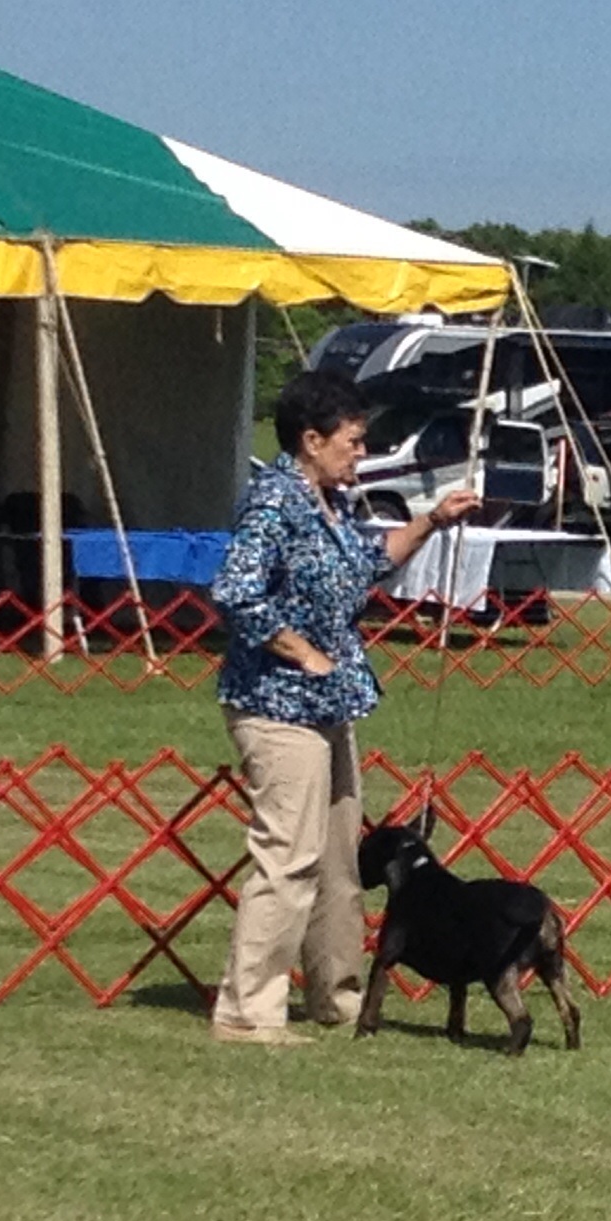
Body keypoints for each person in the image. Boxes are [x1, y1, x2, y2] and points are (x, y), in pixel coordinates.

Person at [206, 370, 477, 1045]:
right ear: (311, 440)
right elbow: (235, 592)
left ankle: (338, 995)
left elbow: (367, 563)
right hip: (276, 706)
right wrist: (301, 651)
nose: (362, 452)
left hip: (330, 707)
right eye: (352, 441)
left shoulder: (331, 504)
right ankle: (248, 1010)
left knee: (337, 861)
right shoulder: (274, 503)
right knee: (288, 857)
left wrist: (431, 521)